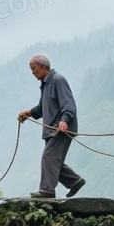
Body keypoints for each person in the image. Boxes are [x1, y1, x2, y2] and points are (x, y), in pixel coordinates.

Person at [18, 54, 86, 199]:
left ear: (43, 67)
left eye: (34, 69)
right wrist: (29, 113)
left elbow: (68, 104)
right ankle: (75, 182)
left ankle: (47, 191)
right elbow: (42, 108)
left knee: (49, 157)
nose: (32, 73)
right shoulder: (46, 85)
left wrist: (64, 120)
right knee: (54, 161)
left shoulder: (57, 80)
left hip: (60, 129)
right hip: (51, 130)